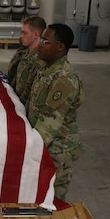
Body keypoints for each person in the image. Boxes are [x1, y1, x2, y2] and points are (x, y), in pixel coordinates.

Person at [26, 23, 84, 201]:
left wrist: (24, 150)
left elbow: (49, 124)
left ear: (60, 47)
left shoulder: (64, 79)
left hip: (56, 151)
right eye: (40, 40)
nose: (40, 45)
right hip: (42, 147)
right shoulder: (46, 69)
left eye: (45, 41)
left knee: (53, 201)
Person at [7, 15, 46, 105]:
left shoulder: (40, 59)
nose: (21, 36)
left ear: (36, 34)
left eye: (25, 33)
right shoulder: (23, 52)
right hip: (15, 99)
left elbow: (32, 92)